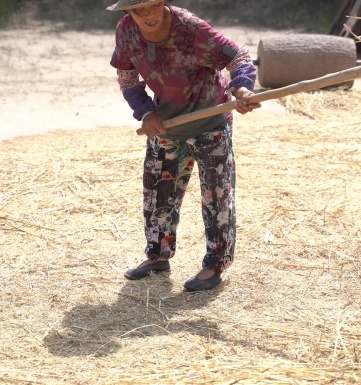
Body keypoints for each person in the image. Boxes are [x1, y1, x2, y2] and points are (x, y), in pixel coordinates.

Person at [107, 0, 260, 291]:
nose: (147, 15)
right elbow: (127, 77)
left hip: (210, 120)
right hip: (167, 124)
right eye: (138, 10)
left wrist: (241, 87)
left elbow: (238, 56)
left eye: (151, 6)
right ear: (128, 12)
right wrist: (146, 112)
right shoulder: (127, 32)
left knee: (217, 196)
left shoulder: (191, 28)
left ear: (162, 2)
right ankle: (158, 256)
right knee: (158, 192)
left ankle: (215, 265)